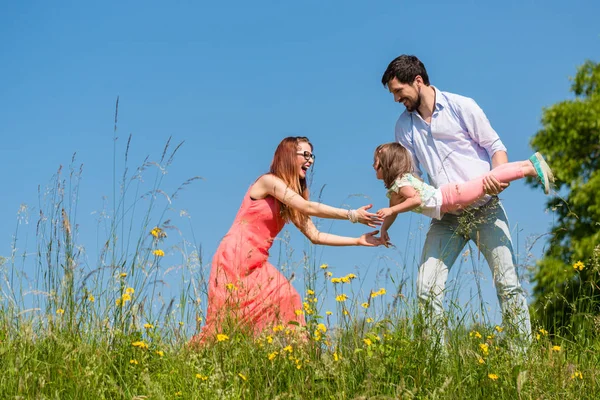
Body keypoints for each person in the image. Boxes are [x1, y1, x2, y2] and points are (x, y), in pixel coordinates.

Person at [380, 54, 533, 346]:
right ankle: (438, 362)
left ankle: (522, 359)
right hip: (446, 218)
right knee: (427, 288)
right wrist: (397, 210)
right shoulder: (404, 127)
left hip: (486, 209)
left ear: (418, 81)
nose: (397, 99)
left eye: (399, 91)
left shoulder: (462, 106)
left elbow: (495, 146)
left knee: (507, 284)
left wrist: (498, 180)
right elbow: (410, 177)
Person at [190, 136, 383, 344]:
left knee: (288, 299)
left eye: (312, 156)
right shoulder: (268, 182)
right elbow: (308, 207)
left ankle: (302, 359)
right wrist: (352, 215)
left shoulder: (290, 200)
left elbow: (315, 236)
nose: (310, 161)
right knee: (223, 324)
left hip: (258, 261)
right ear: (289, 155)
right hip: (235, 256)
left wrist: (357, 240)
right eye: (305, 155)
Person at [372, 142, 554, 235]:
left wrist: (391, 209)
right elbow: (393, 213)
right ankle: (527, 164)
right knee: (487, 178)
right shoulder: (397, 187)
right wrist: (384, 229)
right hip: (451, 196)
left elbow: (415, 200)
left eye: (376, 163)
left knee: (487, 180)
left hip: (451, 197)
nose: (373, 166)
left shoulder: (402, 183)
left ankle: (529, 169)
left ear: (387, 165)